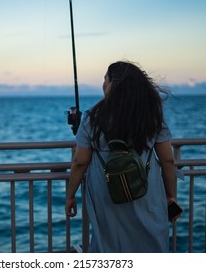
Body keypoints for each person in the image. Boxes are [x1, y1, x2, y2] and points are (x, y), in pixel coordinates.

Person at [65, 60, 180, 252]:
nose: (103, 85)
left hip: (106, 190)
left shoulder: (92, 117)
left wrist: (70, 195)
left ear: (114, 84)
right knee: (150, 239)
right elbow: (167, 160)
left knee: (108, 241)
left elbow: (80, 161)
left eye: (106, 80)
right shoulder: (151, 114)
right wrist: (171, 196)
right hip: (147, 189)